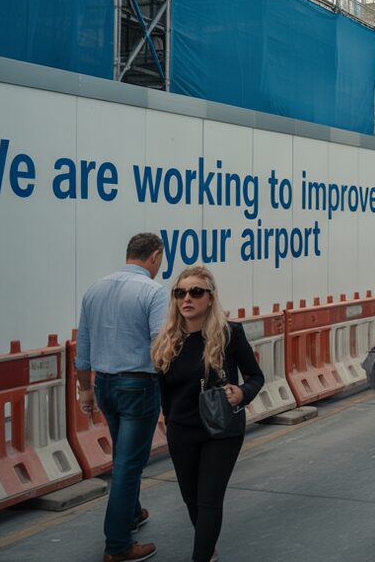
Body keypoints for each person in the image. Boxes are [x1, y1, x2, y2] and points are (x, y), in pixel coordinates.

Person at [153, 265, 263, 562]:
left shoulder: (230, 334)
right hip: (181, 430)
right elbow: (164, 391)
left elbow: (255, 376)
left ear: (210, 298)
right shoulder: (167, 340)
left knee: (209, 500)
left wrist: (242, 393)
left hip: (221, 430)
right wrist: (167, 420)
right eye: (180, 293)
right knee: (191, 499)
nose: (187, 299)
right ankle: (208, 547)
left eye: (195, 292)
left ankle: (201, 557)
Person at [76, 233, 170, 562]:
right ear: (155, 257)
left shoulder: (95, 288)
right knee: (129, 466)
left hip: (105, 385)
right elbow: (160, 345)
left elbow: (83, 342)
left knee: (123, 458)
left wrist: (85, 388)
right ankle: (117, 546)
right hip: (138, 385)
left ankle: (131, 516)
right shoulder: (154, 291)